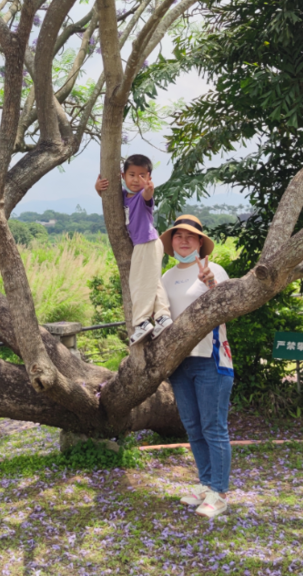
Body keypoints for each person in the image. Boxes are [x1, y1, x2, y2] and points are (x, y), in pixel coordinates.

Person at [159, 214, 233, 520]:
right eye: (178, 236)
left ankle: (220, 492)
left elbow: (229, 305)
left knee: (213, 427)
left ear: (200, 242)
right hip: (179, 363)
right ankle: (205, 484)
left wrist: (212, 285)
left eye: (191, 236)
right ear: (172, 242)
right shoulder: (165, 277)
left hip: (210, 360)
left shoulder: (213, 270)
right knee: (192, 426)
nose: (184, 241)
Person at [94, 155, 172, 345]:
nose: (136, 180)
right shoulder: (123, 195)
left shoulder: (142, 195)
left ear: (149, 177)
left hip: (147, 243)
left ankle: (142, 322)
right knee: (154, 282)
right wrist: (98, 189)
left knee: (138, 283)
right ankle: (163, 317)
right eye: (132, 175)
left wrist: (149, 190)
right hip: (149, 243)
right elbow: (108, 198)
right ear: (123, 176)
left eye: (142, 175)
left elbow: (147, 196)